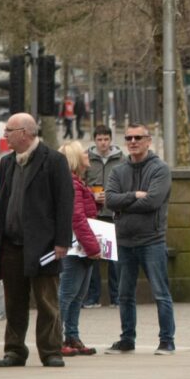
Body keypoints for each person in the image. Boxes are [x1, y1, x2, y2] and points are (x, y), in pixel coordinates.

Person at [0, 113, 74, 368]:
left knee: (47, 301)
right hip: (11, 245)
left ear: (25, 133)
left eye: (9, 131)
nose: (5, 136)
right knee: (15, 300)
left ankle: (50, 351)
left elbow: (64, 202)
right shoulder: (7, 163)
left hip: (44, 246)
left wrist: (62, 241)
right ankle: (14, 351)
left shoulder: (54, 161)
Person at [104, 123, 176, 356]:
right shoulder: (118, 171)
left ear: (148, 141)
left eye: (138, 137)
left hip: (151, 240)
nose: (133, 142)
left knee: (160, 293)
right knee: (124, 294)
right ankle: (127, 339)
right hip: (124, 240)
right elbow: (110, 201)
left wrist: (124, 206)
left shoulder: (160, 169)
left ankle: (167, 340)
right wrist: (134, 195)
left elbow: (153, 202)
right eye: (129, 138)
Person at [57, 141, 100, 357]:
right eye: (84, 151)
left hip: (81, 247)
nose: (88, 153)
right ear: (74, 157)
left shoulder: (76, 182)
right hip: (76, 248)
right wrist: (93, 247)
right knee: (67, 295)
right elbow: (77, 218)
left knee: (77, 295)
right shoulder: (72, 184)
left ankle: (71, 336)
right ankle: (56, 338)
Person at [84, 125, 125, 308]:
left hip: (112, 213)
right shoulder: (86, 159)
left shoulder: (121, 160)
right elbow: (80, 183)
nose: (103, 143)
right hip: (93, 213)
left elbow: (126, 183)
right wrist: (91, 194)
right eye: (99, 139)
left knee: (112, 258)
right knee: (92, 257)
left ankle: (116, 297)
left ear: (110, 140)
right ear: (95, 140)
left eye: (106, 139)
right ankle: (93, 297)